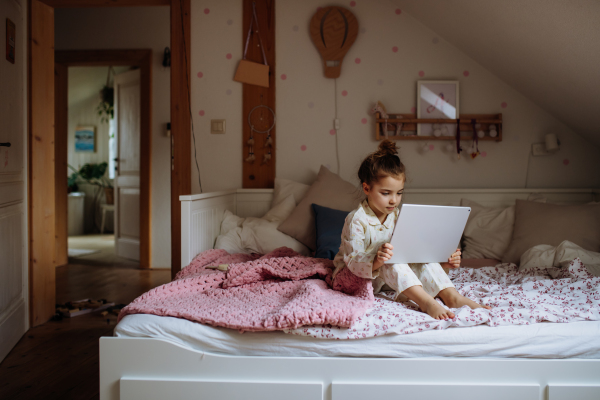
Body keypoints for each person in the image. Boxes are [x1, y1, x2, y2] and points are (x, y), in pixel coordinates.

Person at [332, 140, 491, 320]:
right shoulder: (357, 219)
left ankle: (452, 297)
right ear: (367, 188)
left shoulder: (399, 216)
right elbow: (353, 261)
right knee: (392, 257)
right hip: (352, 279)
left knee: (416, 255)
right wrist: (377, 260)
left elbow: (413, 254)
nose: (394, 200)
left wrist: (442, 261)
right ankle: (427, 303)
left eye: (399, 193)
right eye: (386, 193)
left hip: (384, 280)